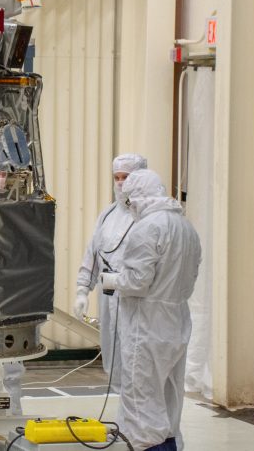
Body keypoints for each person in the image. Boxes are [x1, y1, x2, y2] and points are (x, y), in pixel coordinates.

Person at [99, 169, 201, 451]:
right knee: (169, 393)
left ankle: (149, 447)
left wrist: (113, 279)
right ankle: (169, 445)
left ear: (135, 198)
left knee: (141, 395)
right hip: (177, 320)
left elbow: (136, 282)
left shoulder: (147, 228)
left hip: (147, 324)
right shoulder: (185, 227)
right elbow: (191, 274)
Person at [73, 153, 149, 388]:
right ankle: (119, 404)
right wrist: (83, 289)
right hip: (107, 295)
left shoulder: (147, 216)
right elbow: (94, 252)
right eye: (116, 177)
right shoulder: (107, 214)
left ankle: (135, 413)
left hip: (134, 297)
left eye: (125, 176)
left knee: (134, 354)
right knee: (112, 351)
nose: (120, 182)